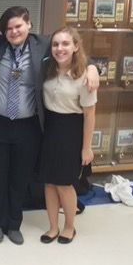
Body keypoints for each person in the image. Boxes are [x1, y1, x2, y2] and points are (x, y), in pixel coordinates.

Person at [0, 6, 99, 245]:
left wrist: (93, 67)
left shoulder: (44, 44)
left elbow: (73, 51)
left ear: (29, 25)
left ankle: (14, 224)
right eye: (8, 28)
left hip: (28, 127)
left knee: (20, 178)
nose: (13, 31)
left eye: (18, 26)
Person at [37, 27, 96, 244]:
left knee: (64, 183)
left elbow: (90, 115)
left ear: (76, 47)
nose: (59, 48)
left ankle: (69, 227)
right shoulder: (47, 69)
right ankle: (52, 227)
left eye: (65, 44)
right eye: (55, 44)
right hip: (49, 128)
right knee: (49, 182)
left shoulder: (84, 77)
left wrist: (86, 147)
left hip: (71, 130)